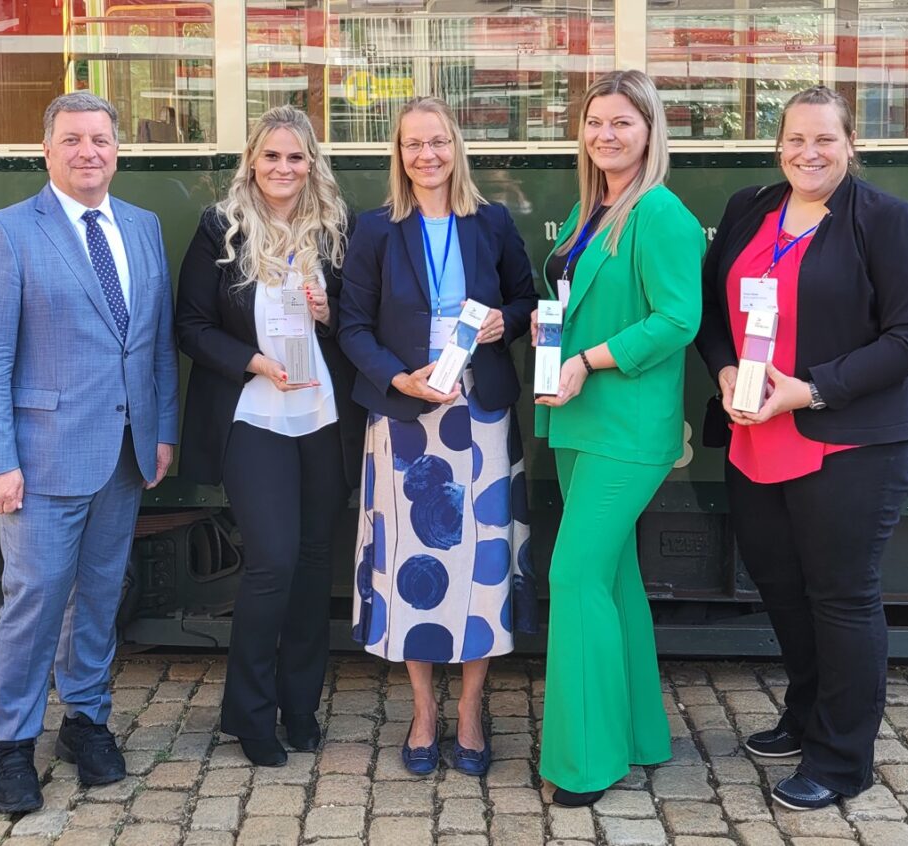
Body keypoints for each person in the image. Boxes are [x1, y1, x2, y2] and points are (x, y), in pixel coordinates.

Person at [695, 85, 908, 810]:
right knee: (782, 589)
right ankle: (805, 715)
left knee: (841, 598)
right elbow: (712, 312)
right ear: (779, 145)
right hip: (755, 437)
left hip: (852, 443)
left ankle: (841, 761)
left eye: (825, 139)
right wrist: (725, 369)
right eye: (796, 139)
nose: (809, 153)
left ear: (849, 145)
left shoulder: (885, 220)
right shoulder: (749, 208)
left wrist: (809, 390)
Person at [0, 92, 179, 813]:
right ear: (47, 150)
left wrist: (162, 430)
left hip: (123, 452)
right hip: (42, 458)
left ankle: (85, 722)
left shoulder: (141, 227)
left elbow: (155, 345)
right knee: (36, 601)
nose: (89, 152)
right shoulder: (9, 231)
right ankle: (12, 743)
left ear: (118, 150)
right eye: (74, 139)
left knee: (101, 595)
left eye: (101, 139)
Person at [338, 96, 538, 777]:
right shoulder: (376, 230)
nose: (427, 155)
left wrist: (504, 322)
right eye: (413, 144)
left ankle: (472, 710)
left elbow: (525, 299)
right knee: (411, 565)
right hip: (405, 419)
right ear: (398, 156)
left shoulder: (492, 222)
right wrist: (399, 378)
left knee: (480, 560)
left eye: (438, 142)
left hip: (479, 415)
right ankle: (423, 710)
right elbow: (352, 327)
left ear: (457, 148)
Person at [532, 69, 704, 807]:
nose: (605, 134)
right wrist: (552, 332)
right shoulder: (591, 206)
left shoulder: (660, 212)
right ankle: (637, 733)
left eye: (622, 123)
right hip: (579, 418)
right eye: (595, 121)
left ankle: (586, 763)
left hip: (626, 425)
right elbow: (579, 298)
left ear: (649, 131)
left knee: (573, 578)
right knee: (611, 578)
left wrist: (588, 359)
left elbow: (678, 319)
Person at [176, 106, 361, 766]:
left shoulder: (336, 229)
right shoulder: (220, 228)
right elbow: (190, 326)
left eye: (296, 156)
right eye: (272, 155)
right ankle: (249, 715)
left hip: (322, 417)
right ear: (252, 161)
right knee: (273, 562)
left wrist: (330, 311)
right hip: (254, 416)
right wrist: (253, 361)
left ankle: (300, 707)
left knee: (313, 566)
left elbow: (360, 324)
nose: (283, 167)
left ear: (312, 164)